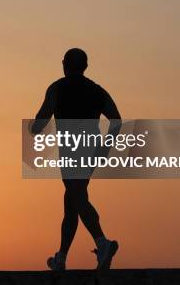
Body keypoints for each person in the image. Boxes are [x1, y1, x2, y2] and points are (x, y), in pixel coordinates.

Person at [30, 48, 121, 271]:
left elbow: (41, 120)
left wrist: (35, 129)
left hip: (71, 149)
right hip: (92, 147)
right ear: (85, 67)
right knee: (72, 201)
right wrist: (105, 148)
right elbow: (116, 120)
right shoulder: (97, 91)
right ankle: (61, 257)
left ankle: (102, 242)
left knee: (77, 197)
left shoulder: (57, 88)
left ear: (64, 64)